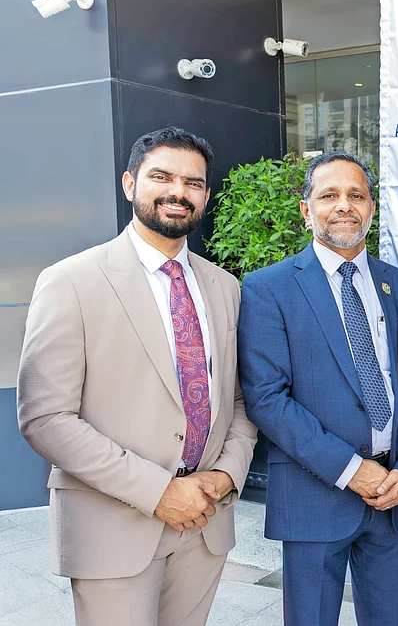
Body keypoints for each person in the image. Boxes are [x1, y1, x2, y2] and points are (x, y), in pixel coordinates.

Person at [17, 126, 258, 625]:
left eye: (193, 183)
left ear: (205, 195)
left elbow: (238, 399)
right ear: (130, 184)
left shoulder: (225, 287)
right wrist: (160, 491)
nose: (178, 192)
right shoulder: (70, 281)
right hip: (113, 524)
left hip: (205, 521)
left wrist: (226, 474)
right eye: (161, 177)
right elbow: (46, 418)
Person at [238, 152, 398, 626]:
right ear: (306, 210)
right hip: (314, 495)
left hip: (396, 496)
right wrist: (351, 470)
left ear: (372, 208)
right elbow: (267, 398)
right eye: (329, 195)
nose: (344, 205)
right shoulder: (268, 288)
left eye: (356, 195)